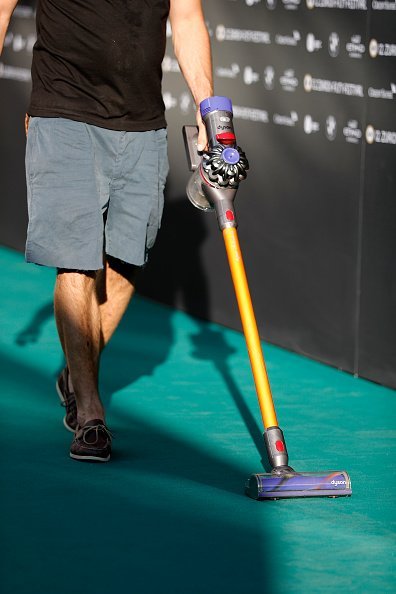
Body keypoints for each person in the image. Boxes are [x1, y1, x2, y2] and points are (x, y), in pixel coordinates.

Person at [0, 0, 213, 462]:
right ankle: (91, 413)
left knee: (126, 257)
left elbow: (188, 16)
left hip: (141, 121)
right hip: (64, 109)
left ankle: (76, 375)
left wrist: (206, 106)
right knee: (75, 257)